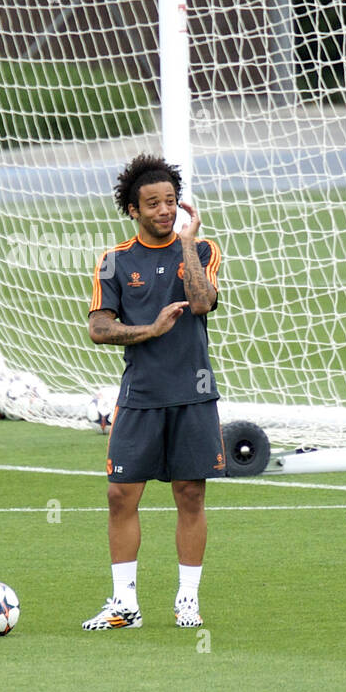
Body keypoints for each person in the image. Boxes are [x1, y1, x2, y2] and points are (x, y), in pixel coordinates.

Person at [83, 154, 224, 630]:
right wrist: (150, 329)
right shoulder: (115, 261)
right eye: (153, 203)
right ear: (132, 210)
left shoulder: (202, 250)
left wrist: (186, 243)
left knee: (189, 494)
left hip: (194, 394)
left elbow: (204, 302)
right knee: (121, 495)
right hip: (140, 396)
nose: (164, 210)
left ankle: (188, 599)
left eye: (170, 201)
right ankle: (125, 604)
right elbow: (100, 329)